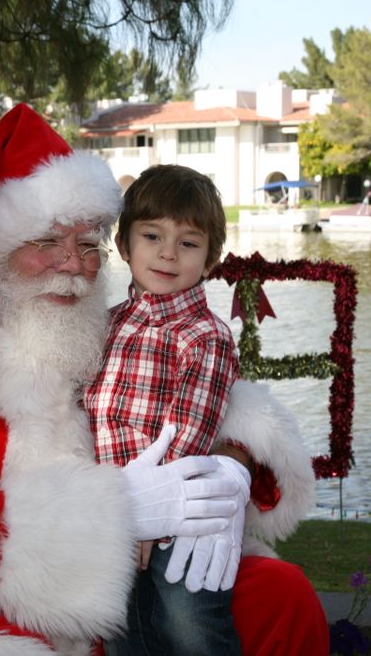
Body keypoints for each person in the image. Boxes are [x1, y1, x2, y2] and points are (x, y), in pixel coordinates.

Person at [0, 103, 328, 655]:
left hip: (123, 569)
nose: (73, 264)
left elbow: (188, 396)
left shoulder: (94, 327)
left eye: (88, 244)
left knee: (280, 595)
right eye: (45, 242)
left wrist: (233, 459)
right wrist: (118, 511)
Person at [84, 164, 245, 655]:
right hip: (114, 510)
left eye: (189, 243)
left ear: (211, 258)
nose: (168, 254)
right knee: (125, 630)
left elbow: (188, 432)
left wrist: (149, 517)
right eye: (152, 236)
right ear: (126, 243)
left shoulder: (205, 335)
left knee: (189, 627)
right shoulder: (105, 324)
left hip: (178, 516)